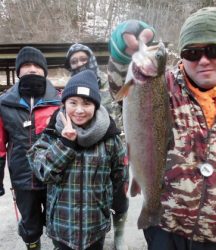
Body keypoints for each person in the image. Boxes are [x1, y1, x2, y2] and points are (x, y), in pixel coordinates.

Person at [108, 7, 216, 250]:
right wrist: (123, 55)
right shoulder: (160, 85)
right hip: (165, 229)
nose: (203, 60)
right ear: (181, 56)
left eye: (214, 50)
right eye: (192, 52)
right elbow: (121, 88)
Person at [27, 69, 129, 250]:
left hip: (95, 227)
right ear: (64, 103)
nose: (79, 110)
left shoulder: (110, 138)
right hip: (62, 226)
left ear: (96, 106)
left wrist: (119, 206)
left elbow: (120, 177)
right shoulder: (52, 133)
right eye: (73, 103)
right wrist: (65, 144)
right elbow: (42, 172)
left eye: (87, 103)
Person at [65, 43, 128, 250]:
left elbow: (126, 103)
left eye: (83, 59)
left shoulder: (108, 83)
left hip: (113, 142)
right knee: (92, 193)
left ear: (91, 58)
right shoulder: (70, 88)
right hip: (83, 147)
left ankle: (119, 231)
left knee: (119, 192)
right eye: (74, 61)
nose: (79, 64)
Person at [0, 46, 61, 249]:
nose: (32, 69)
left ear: (44, 70)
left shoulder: (61, 101)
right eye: (26, 65)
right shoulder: (4, 104)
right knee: (30, 225)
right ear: (18, 71)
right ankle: (32, 245)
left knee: (58, 223)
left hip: (55, 178)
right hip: (22, 180)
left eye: (37, 65)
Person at [108, 19, 155, 99]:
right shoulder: (130, 28)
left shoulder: (146, 33)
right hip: (117, 62)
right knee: (117, 94)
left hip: (138, 64)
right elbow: (131, 26)